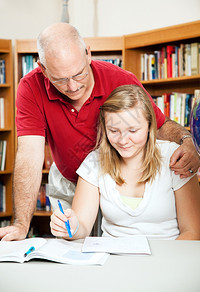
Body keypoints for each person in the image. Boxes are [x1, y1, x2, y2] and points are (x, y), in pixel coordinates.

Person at [0, 23, 199, 241]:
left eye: (79, 74)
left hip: (116, 173)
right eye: (60, 79)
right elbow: (29, 154)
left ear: (88, 54)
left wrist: (186, 140)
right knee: (72, 239)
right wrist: (21, 225)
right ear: (43, 69)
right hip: (74, 176)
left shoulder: (120, 80)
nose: (73, 86)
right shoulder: (30, 87)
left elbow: (159, 124)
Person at [50, 85, 200, 240]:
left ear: (150, 126)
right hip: (113, 259)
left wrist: (162, 263)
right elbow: (82, 227)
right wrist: (71, 227)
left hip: (167, 258)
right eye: (114, 131)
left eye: (133, 131)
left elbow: (192, 232)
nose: (123, 140)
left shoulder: (175, 156)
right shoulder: (94, 162)